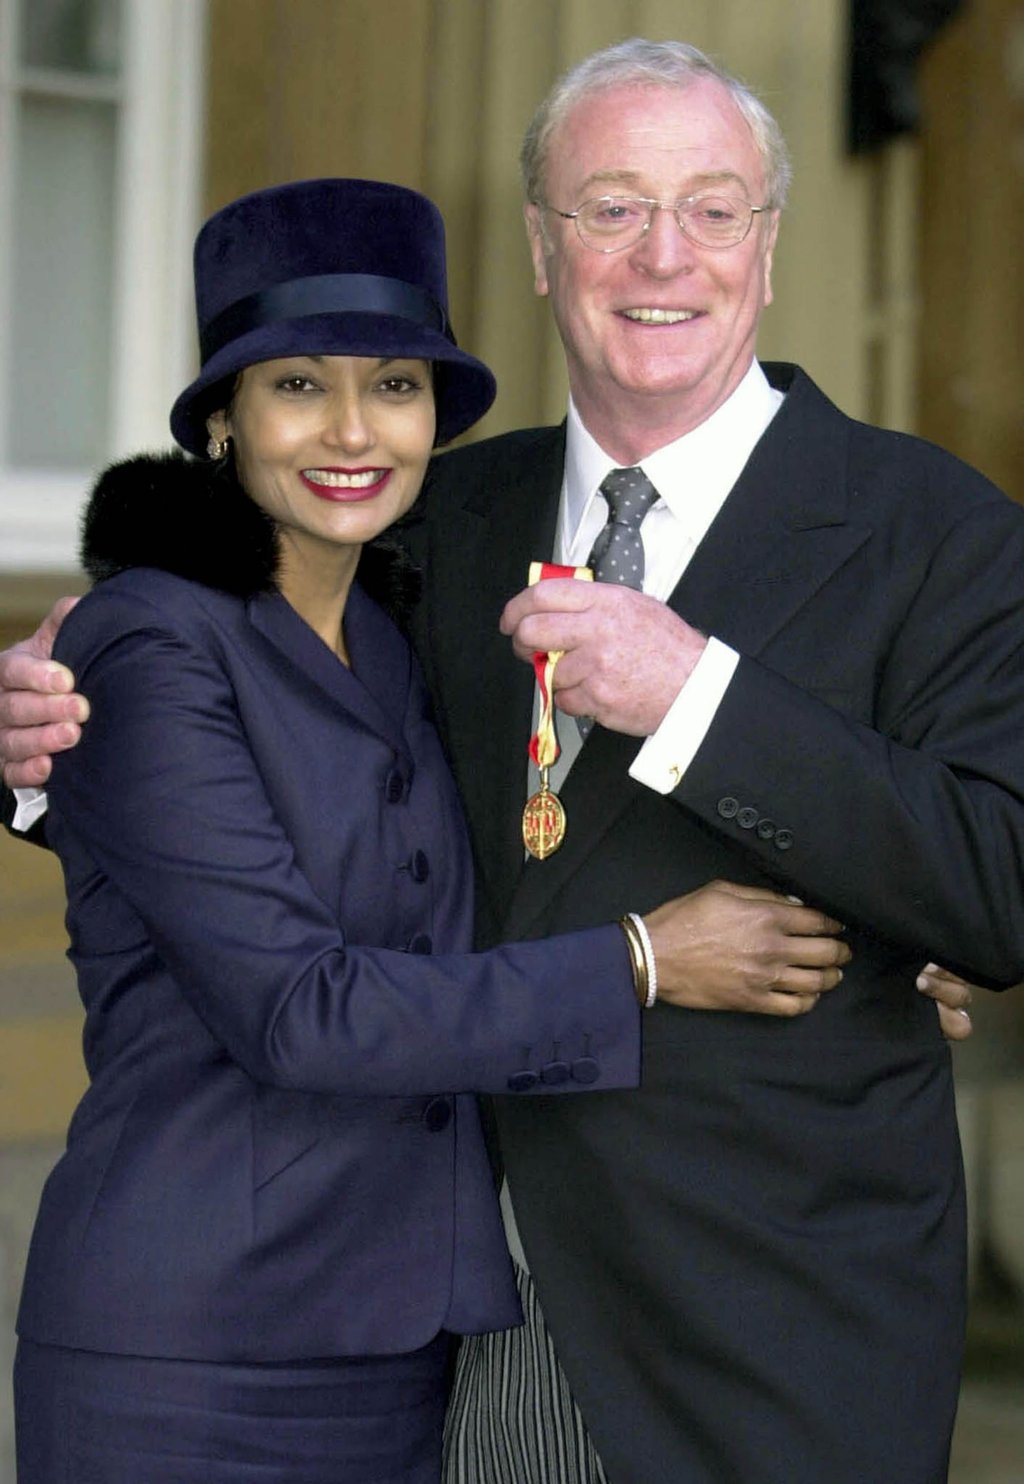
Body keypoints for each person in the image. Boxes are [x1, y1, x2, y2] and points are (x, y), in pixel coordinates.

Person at [0, 40, 1001, 1484]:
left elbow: (996, 881)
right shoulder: (420, 518)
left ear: (769, 244)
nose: (664, 255)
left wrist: (707, 706)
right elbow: (264, 749)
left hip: (774, 1336)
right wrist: (48, 745)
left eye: (712, 209)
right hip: (445, 1325)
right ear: (541, 247)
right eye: (611, 207)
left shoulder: (940, 530)